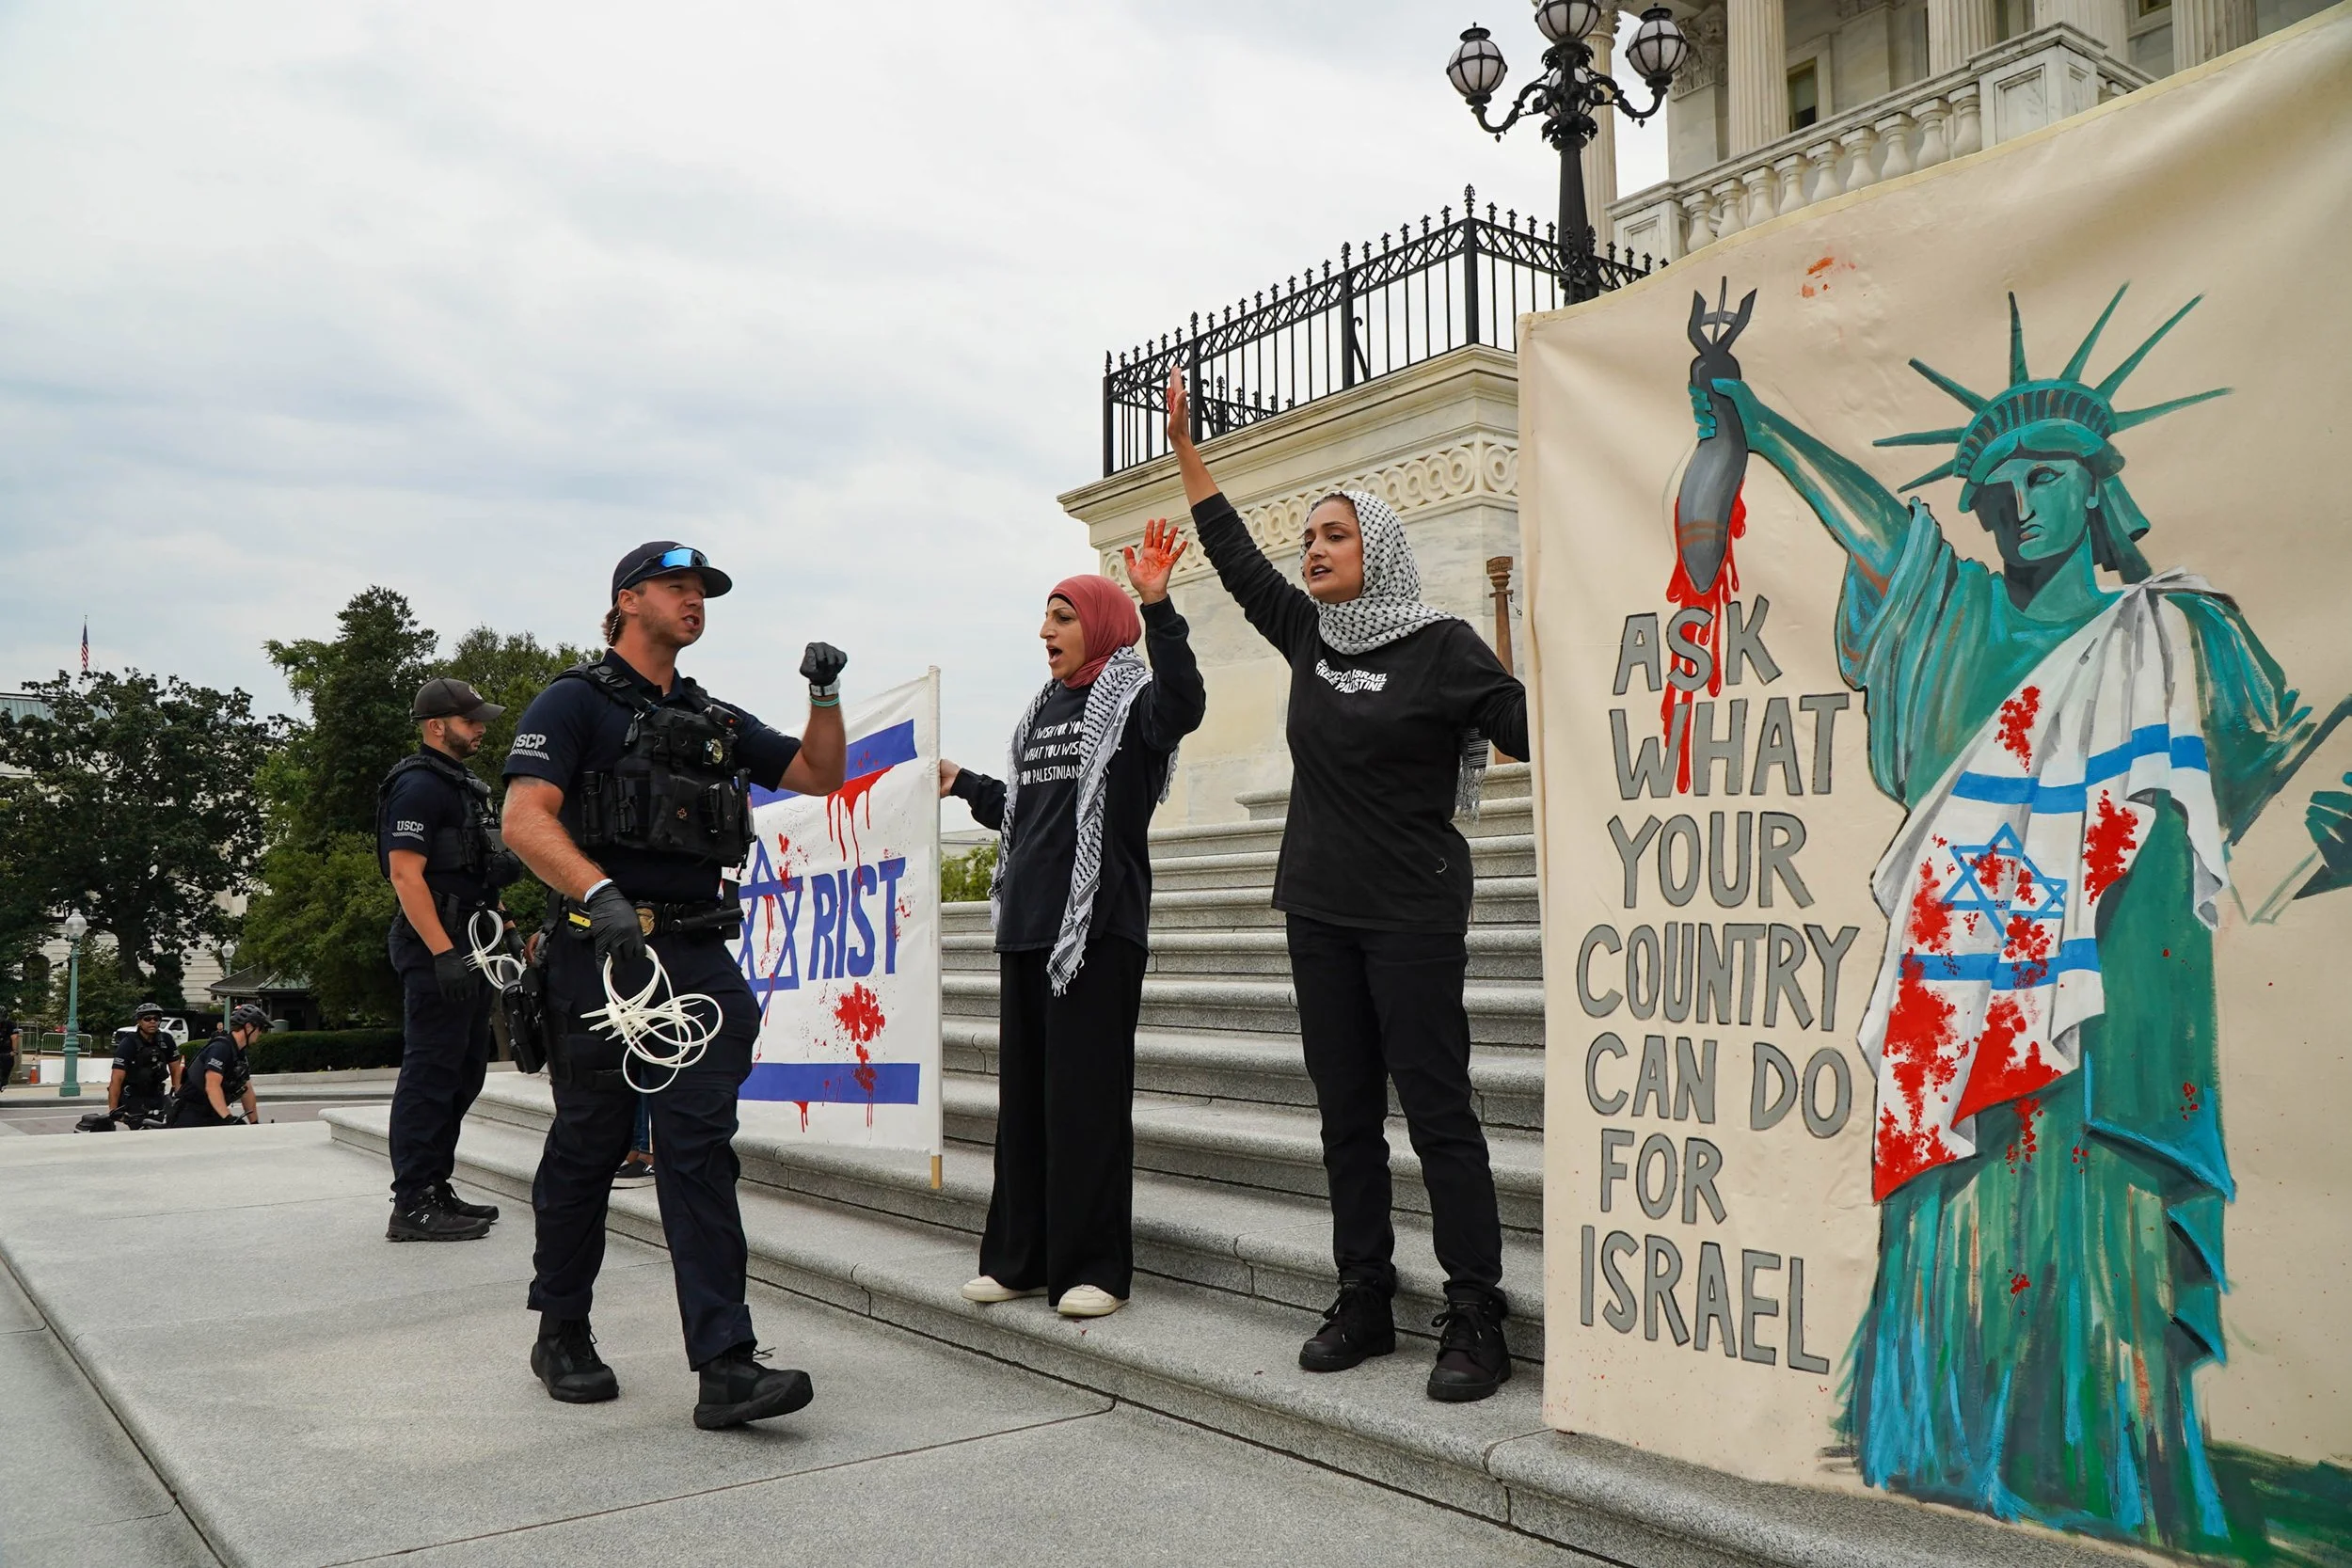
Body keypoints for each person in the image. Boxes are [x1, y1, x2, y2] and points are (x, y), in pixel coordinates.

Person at [1705, 292, 2352, 1549]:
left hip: (2117, 1004)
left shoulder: (2176, 632)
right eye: (1997, 489)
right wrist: (1762, 423)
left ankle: (2098, 1461)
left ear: (2099, 488)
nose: (2019, 505)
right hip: (1963, 988)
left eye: (2046, 477)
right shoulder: (1955, 619)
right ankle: (1947, 1445)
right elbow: (1879, 528)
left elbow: (2262, 793)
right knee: (1959, 1216)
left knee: (2098, 1227)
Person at [1163, 370, 1526, 1403]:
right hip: (1319, 910)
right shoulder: (1309, 634)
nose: (1312, 550)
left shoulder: (1443, 646)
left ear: (1381, 550)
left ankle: (1475, 1308)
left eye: (1334, 535)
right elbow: (1235, 556)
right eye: (1309, 537)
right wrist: (1187, 449)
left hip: (1413, 911)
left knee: (1439, 1112)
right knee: (1346, 1115)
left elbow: (1524, 727)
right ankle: (1364, 1291)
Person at [501, 540, 846, 1429]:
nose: (694, 600)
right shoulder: (572, 702)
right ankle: (561, 1330)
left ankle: (726, 1364)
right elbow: (523, 818)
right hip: (599, 953)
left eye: (702, 591)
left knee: (699, 1150)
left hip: (693, 957)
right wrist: (599, 892)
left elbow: (820, 773)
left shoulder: (711, 717)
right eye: (677, 586)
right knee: (589, 1145)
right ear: (628, 599)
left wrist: (824, 695)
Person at [942, 524, 1205, 1319]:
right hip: (1028, 928)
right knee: (1025, 1107)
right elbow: (1028, 814)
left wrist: (1159, 608)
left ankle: (1095, 1268)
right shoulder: (1040, 712)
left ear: (1100, 622)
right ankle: (1019, 1258)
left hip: (1097, 930)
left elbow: (1186, 702)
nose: (1045, 632)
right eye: (1045, 618)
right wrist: (963, 782)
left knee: (1086, 1106)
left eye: (1061, 617)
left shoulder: (1132, 702)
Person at [378, 675, 522, 1243]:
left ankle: (434, 1185)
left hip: (473, 941)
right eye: (470, 721)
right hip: (437, 945)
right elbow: (405, 875)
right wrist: (442, 952)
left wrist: (507, 925)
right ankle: (412, 1203)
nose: (480, 729)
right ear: (436, 726)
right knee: (431, 1074)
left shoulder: (462, 786)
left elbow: (474, 872)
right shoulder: (417, 786)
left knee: (463, 1073)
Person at [168, 1005, 267, 1128]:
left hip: (212, 1112)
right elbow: (212, 1086)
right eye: (260, 1028)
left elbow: (247, 1091)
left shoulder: (239, 1054)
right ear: (249, 1027)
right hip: (191, 1113)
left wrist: (255, 1124)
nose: (261, 1033)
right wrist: (228, 1118)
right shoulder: (220, 1048)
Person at [107, 1002, 183, 1127]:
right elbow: (116, 1078)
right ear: (139, 1021)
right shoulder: (128, 1043)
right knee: (140, 1130)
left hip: (157, 1095)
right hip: (134, 1096)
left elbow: (176, 1071)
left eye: (156, 1019)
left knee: (159, 1129)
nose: (152, 1022)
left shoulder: (166, 1040)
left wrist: (178, 1096)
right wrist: (113, 1110)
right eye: (147, 1019)